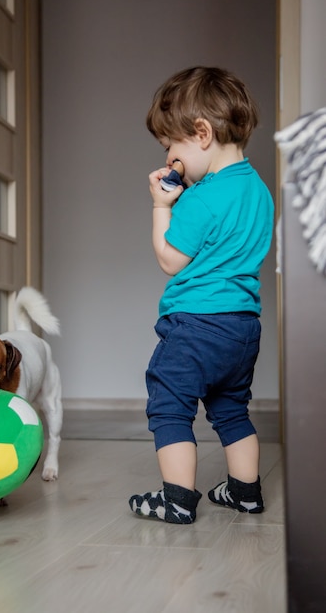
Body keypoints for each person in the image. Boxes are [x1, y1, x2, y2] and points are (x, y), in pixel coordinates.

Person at [129, 66, 274, 524]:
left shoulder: (200, 198)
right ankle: (246, 493)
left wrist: (160, 207)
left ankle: (177, 500)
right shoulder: (258, 190)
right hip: (243, 326)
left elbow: (171, 260)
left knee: (169, 403)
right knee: (232, 409)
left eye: (170, 146)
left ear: (202, 133)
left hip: (195, 324)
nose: (170, 156)